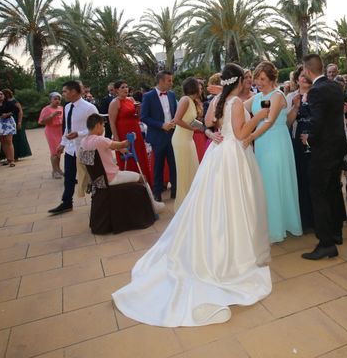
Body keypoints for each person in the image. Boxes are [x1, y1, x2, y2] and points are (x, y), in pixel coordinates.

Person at [112, 64, 272, 327]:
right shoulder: (232, 102)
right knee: (234, 204)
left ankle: (221, 244)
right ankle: (233, 254)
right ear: (238, 81)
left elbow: (208, 124)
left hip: (217, 155)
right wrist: (261, 115)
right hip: (232, 157)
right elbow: (242, 133)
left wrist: (211, 133)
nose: (248, 81)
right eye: (245, 78)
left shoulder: (220, 99)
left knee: (215, 204)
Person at [246, 61, 302, 243]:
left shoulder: (277, 95)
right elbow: (237, 105)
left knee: (274, 182)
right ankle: (269, 224)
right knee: (266, 183)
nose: (259, 82)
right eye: (257, 79)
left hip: (276, 143)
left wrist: (250, 137)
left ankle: (277, 228)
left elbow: (269, 122)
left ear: (272, 79)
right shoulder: (255, 97)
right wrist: (223, 98)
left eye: (262, 79)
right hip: (262, 146)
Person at [300, 54, 347, 260]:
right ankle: (337, 233)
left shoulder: (316, 91)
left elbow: (317, 123)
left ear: (308, 70)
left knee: (318, 194)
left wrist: (308, 139)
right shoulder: (335, 87)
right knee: (334, 190)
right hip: (338, 148)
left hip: (323, 151)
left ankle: (326, 243)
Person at [48, 80, 98, 215]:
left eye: (65, 91)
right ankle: (66, 202)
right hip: (71, 149)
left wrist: (79, 134)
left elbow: (98, 129)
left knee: (92, 176)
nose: (63, 94)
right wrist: (62, 143)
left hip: (86, 148)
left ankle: (97, 201)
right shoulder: (67, 107)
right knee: (69, 176)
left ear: (74, 91)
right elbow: (67, 128)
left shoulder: (89, 108)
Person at [141, 71, 177, 201]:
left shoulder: (172, 95)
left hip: (172, 135)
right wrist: (161, 125)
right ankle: (157, 193)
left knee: (174, 164)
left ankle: (175, 190)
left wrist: (174, 122)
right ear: (161, 81)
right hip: (157, 136)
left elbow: (175, 112)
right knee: (158, 166)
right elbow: (144, 117)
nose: (171, 83)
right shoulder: (148, 96)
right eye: (169, 81)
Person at [109, 80, 153, 186]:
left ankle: (146, 187)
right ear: (116, 90)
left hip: (136, 133)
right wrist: (118, 143)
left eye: (126, 87)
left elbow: (137, 117)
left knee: (141, 158)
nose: (125, 89)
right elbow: (112, 123)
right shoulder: (115, 103)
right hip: (123, 134)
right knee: (129, 162)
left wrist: (139, 110)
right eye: (122, 87)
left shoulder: (131, 99)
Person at [286, 65, 314, 231]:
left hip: (316, 142)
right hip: (297, 141)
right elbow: (287, 123)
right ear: (297, 79)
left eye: (307, 75)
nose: (304, 78)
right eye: (301, 76)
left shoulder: (317, 95)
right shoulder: (290, 96)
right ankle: (304, 219)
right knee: (301, 178)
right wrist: (295, 107)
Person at [80, 114, 140, 185]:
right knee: (141, 178)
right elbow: (124, 144)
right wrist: (133, 137)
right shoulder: (101, 140)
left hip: (98, 180)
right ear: (98, 125)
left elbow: (104, 149)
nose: (103, 128)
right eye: (103, 126)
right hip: (111, 177)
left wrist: (119, 149)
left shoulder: (83, 142)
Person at [172, 77, 202, 212]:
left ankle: (192, 200)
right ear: (194, 87)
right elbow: (176, 120)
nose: (202, 88)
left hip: (188, 139)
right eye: (200, 86)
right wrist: (193, 129)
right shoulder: (185, 100)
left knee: (192, 168)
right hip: (181, 140)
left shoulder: (192, 101)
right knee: (184, 171)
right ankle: (183, 204)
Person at [38, 92, 64, 179]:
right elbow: (41, 122)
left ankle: (59, 169)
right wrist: (52, 115)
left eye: (59, 99)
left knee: (59, 151)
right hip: (51, 131)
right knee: (54, 151)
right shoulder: (46, 109)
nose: (57, 101)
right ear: (50, 100)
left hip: (61, 131)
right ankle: (54, 171)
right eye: (55, 99)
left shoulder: (61, 108)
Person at [4, 89, 32, 160]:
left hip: (16, 120)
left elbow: (20, 111)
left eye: (6, 93)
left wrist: (19, 122)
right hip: (7, 121)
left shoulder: (14, 101)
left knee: (18, 137)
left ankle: (18, 154)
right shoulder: (4, 102)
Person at [0, 90, 17, 167]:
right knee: (3, 142)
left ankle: (12, 160)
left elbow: (15, 110)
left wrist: (7, 114)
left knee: (9, 141)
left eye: (1, 94)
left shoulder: (9, 103)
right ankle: (8, 159)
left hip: (8, 122)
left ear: (4, 95)